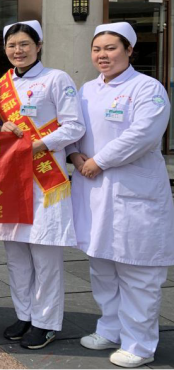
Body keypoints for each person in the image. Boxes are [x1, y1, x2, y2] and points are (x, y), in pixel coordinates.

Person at [68, 22, 174, 368]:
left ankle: (140, 344)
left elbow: (143, 135)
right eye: (97, 49)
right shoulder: (86, 89)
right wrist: (74, 155)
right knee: (102, 267)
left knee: (138, 272)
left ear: (129, 50)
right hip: (93, 191)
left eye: (111, 48)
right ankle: (110, 328)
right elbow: (72, 127)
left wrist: (98, 161)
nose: (103, 55)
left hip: (133, 193)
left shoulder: (148, 88)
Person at [0, 21, 85, 349]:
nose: (18, 50)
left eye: (24, 44)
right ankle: (24, 314)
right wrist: (2, 127)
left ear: (39, 45)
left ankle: (45, 322)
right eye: (12, 45)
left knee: (44, 255)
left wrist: (39, 145)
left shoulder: (57, 79)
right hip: (12, 180)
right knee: (16, 254)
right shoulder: (0, 86)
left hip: (47, 180)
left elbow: (74, 126)